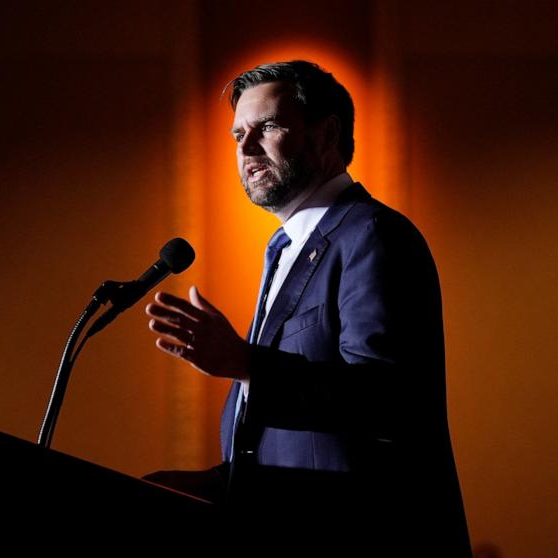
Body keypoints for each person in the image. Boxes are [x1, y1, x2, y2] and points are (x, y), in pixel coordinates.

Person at [144, 60, 471, 555]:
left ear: (327, 134)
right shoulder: (284, 250)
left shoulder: (371, 235)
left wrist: (245, 363)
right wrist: (205, 489)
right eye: (237, 135)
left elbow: (382, 399)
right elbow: (295, 453)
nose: (246, 149)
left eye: (268, 127)